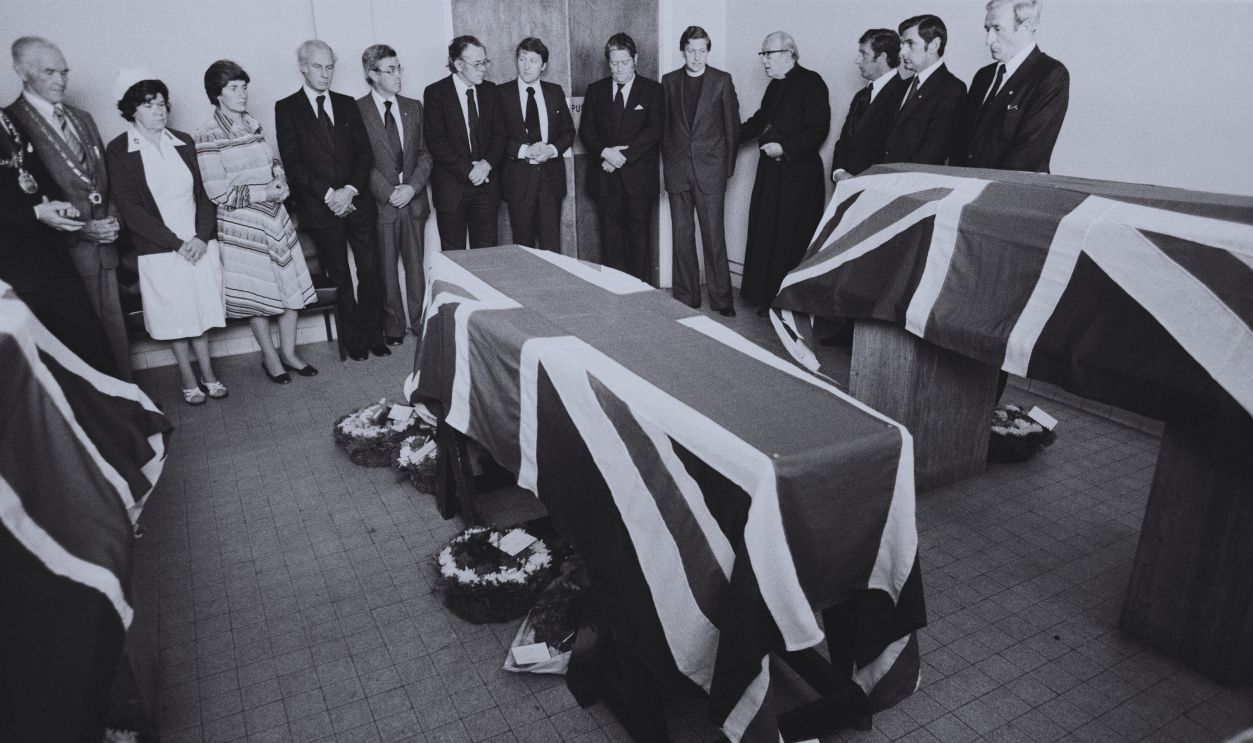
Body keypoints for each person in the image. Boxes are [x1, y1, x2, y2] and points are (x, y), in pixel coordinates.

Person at [7, 36, 131, 379]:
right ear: (22, 72)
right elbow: (31, 197)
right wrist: (83, 229)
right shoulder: (14, 123)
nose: (60, 81)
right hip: (64, 251)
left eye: (64, 72)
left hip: (104, 242)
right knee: (83, 339)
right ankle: (103, 413)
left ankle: (130, 403)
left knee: (115, 331)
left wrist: (112, 221)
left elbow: (104, 177)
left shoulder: (82, 117)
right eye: (49, 72)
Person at [105, 74, 227, 405]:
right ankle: (188, 379)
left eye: (162, 104)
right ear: (132, 110)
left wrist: (201, 237)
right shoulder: (119, 150)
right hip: (160, 249)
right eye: (150, 105)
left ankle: (208, 373)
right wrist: (176, 243)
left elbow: (205, 194)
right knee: (175, 316)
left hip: (198, 243)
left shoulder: (184, 141)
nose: (160, 111)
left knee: (200, 311)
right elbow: (131, 209)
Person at [194, 60, 317, 384]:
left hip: (275, 219)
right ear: (217, 94)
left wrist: (280, 179)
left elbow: (271, 161)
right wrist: (265, 191)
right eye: (234, 88)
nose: (242, 93)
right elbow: (216, 192)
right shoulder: (207, 134)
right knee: (258, 297)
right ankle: (271, 357)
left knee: (292, 290)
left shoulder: (253, 123)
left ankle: (289, 352)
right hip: (242, 227)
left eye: (244, 86)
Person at [275, 40, 386, 361]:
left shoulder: (347, 102)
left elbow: (365, 154)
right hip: (321, 207)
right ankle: (354, 341)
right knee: (340, 276)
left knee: (370, 270)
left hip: (356, 200)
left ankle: (373, 334)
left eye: (330, 66)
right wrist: (330, 195)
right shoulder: (287, 108)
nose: (325, 74)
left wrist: (349, 190)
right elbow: (293, 163)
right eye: (318, 67)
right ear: (303, 67)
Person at [0, 109, 117, 376]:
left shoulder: (10, 117)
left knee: (90, 343)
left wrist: (55, 203)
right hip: (12, 268)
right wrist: (35, 213)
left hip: (51, 256)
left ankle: (116, 411)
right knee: (43, 361)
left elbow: (37, 173)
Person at [739, 31, 830, 316]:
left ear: (789, 54)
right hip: (772, 176)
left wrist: (784, 148)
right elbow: (758, 123)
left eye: (768, 53)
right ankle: (769, 299)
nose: (763, 60)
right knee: (768, 234)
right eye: (763, 54)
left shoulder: (812, 82)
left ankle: (787, 304)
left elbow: (818, 128)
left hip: (798, 177)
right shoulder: (775, 86)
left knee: (789, 238)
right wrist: (723, 137)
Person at [356, 44, 432, 347]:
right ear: (372, 74)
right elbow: (361, 161)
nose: (398, 75)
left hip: (413, 201)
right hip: (382, 204)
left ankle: (421, 322)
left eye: (398, 68)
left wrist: (411, 188)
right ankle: (394, 327)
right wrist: (389, 193)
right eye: (390, 70)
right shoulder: (358, 110)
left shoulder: (413, 107)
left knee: (416, 268)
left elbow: (426, 154)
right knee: (386, 270)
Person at [661, 25, 739, 316]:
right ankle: (686, 297)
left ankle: (722, 300)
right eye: (691, 51)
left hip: (711, 171)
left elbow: (732, 127)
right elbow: (665, 127)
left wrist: (726, 170)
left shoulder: (721, 81)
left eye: (702, 50)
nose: (696, 57)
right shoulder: (668, 81)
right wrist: (669, 162)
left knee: (714, 236)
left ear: (708, 50)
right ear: (682, 51)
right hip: (678, 170)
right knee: (682, 236)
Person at [578, 32, 663, 282]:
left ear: (635, 59)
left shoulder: (652, 90)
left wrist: (620, 157)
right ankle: (615, 293)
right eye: (613, 63)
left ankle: (641, 295)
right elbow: (586, 130)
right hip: (605, 179)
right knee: (610, 239)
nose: (618, 69)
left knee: (639, 239)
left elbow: (654, 131)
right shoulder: (595, 91)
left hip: (638, 180)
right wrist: (605, 153)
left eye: (624, 62)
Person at [952, 0, 1070, 172]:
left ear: (1026, 26)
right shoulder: (983, 76)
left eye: (997, 29)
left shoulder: (1050, 75)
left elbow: (1028, 154)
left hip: (1010, 191)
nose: (988, 40)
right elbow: (962, 140)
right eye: (987, 29)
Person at [424, 36, 506, 251]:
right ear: (458, 64)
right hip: (452, 188)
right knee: (454, 255)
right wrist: (469, 171)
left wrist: (486, 164)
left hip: (487, 186)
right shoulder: (435, 93)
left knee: (488, 254)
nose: (483, 69)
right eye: (477, 64)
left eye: (485, 62)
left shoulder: (491, 90)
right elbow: (436, 141)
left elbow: (501, 135)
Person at [496, 37, 574, 253]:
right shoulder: (502, 93)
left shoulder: (555, 92)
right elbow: (496, 137)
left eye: (533, 60)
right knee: (523, 247)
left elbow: (568, 132)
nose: (526, 66)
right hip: (519, 181)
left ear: (544, 66)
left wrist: (550, 150)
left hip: (551, 180)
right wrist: (524, 151)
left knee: (552, 246)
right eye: (522, 59)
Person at [881, 15, 966, 167]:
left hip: (913, 184)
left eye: (910, 44)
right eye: (902, 44)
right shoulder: (901, 86)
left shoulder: (952, 89)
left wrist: (894, 179)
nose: (902, 52)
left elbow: (934, 151)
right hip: (885, 180)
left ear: (934, 45)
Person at [830, 28, 911, 182]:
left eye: (863, 54)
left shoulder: (904, 95)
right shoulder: (861, 96)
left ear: (882, 58)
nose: (857, 60)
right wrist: (838, 172)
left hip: (877, 189)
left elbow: (896, 150)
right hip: (847, 188)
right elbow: (844, 141)